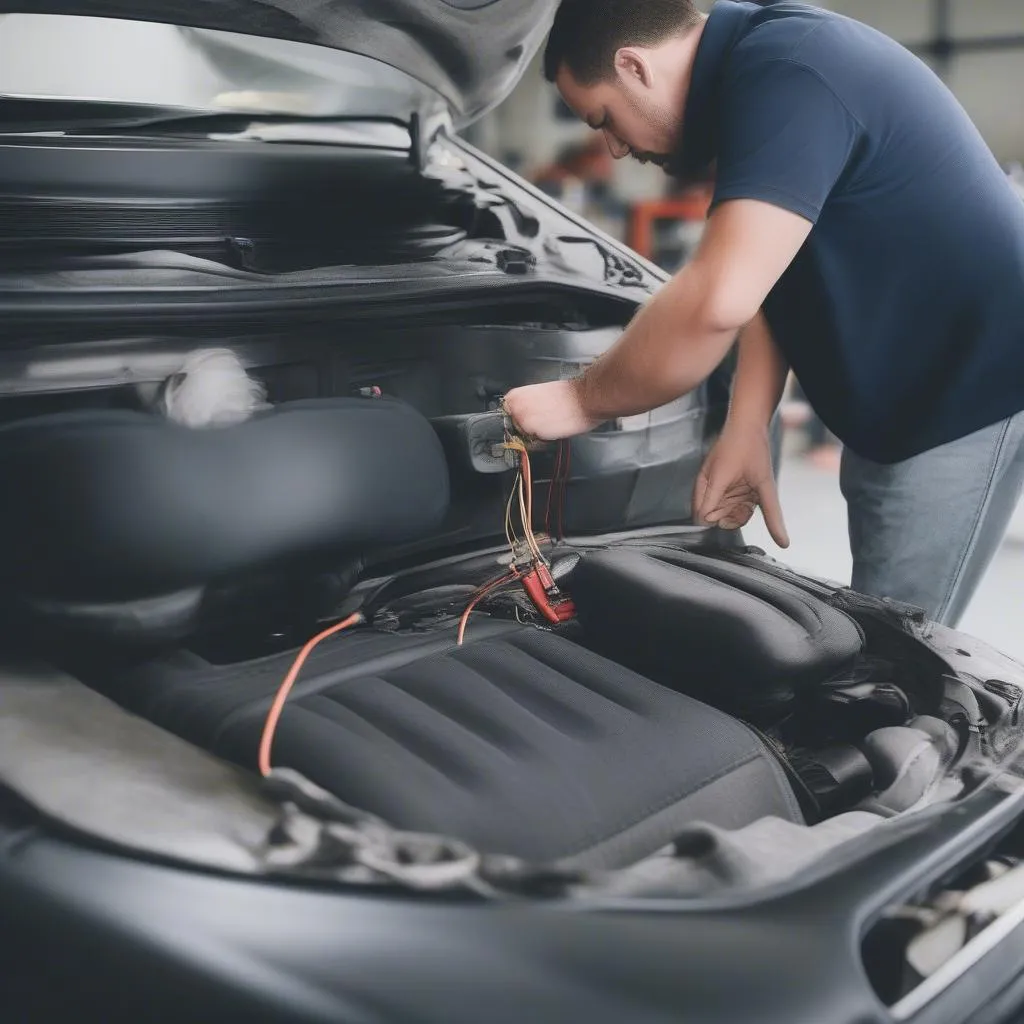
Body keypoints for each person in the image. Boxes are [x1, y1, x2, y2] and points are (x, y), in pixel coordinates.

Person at [502, 0, 1024, 627]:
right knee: (879, 627)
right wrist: (748, 422)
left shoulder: (789, 71)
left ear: (634, 66)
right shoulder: (759, 69)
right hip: (911, 381)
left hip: (960, 386)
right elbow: (773, 273)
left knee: (896, 652)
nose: (612, 149)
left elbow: (720, 297)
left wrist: (580, 400)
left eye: (605, 119)